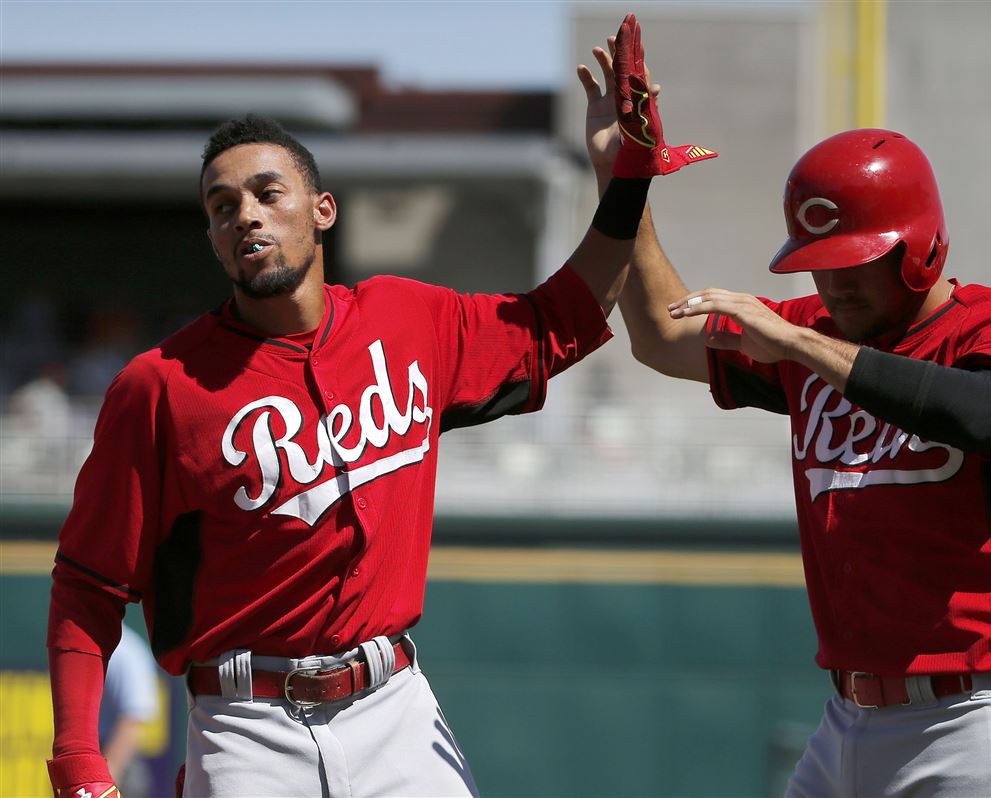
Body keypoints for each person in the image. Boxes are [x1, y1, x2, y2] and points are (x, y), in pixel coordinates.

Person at [44, 15, 714, 798]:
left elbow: (559, 319)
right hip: (246, 724)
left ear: (322, 210)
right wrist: (77, 758)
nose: (246, 217)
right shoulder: (160, 386)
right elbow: (88, 585)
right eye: (222, 208)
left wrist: (626, 179)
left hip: (395, 706)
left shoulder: (406, 320)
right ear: (213, 238)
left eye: (267, 193)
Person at [578, 22, 991, 798]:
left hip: (979, 719)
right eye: (819, 268)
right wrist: (629, 187)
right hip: (847, 724)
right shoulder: (809, 334)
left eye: (856, 265)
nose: (833, 288)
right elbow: (656, 337)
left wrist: (797, 347)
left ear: (921, 249)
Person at [99, 623, 160, 795]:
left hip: (118, 764)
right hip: (94, 757)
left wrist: (105, 784)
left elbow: (132, 723)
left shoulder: (125, 651)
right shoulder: (91, 644)